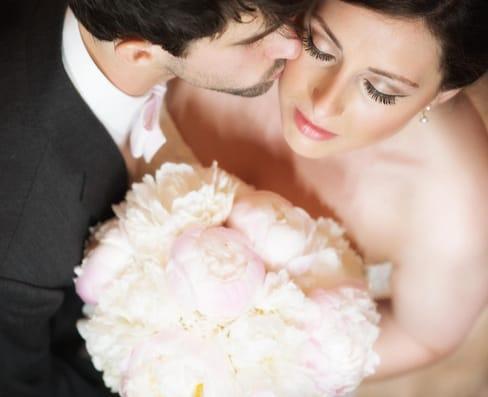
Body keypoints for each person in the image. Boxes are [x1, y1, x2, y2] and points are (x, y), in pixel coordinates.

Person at [0, 0, 308, 395]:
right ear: (140, 52)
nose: (293, 43)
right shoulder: (2, 260)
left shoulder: (117, 37)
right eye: (255, 39)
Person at [157, 0, 488, 381]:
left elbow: (424, 337)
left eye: (379, 91)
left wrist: (251, 361)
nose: (324, 104)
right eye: (318, 46)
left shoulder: (455, 211)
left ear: (442, 93)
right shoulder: (222, 24)